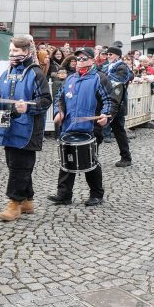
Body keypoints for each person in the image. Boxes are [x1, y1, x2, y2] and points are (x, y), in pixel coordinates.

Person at [0, 36, 52, 221]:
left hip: (28, 130)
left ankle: (14, 203)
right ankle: (27, 200)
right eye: (10, 51)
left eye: (16, 51)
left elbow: (45, 100)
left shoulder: (35, 73)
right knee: (14, 165)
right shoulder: (6, 72)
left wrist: (28, 106)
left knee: (20, 167)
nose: (11, 54)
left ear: (26, 52)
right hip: (8, 128)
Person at [49, 47, 115, 206]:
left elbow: (109, 100)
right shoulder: (69, 79)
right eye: (77, 59)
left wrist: (105, 115)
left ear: (92, 60)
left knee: (90, 161)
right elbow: (59, 98)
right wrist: (59, 112)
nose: (80, 62)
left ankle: (96, 194)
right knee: (67, 159)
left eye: (84, 59)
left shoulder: (100, 78)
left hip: (91, 128)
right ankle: (64, 195)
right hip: (69, 126)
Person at [105, 45, 133, 167]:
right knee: (98, 130)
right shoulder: (108, 66)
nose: (108, 56)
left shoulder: (122, 67)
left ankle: (126, 157)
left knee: (119, 131)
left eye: (110, 54)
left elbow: (118, 80)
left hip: (118, 102)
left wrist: (101, 76)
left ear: (117, 55)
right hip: (107, 102)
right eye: (107, 54)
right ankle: (91, 156)